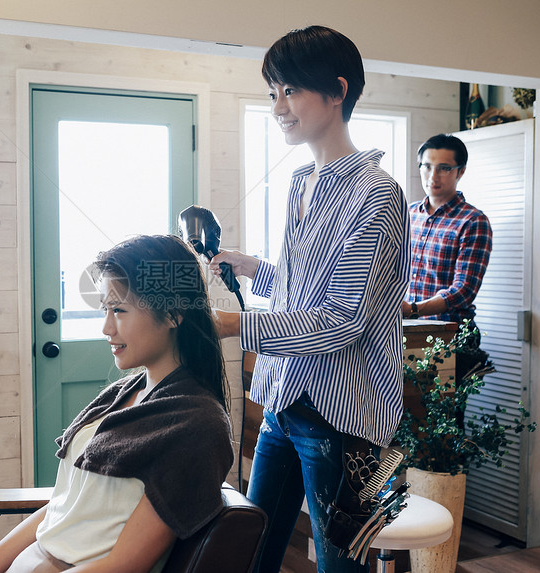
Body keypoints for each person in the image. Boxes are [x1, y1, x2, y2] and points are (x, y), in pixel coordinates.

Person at [209, 26, 410, 573]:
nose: (278, 106)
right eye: (273, 92)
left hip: (342, 417)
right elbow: (306, 289)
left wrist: (231, 325)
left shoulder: (378, 194)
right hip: (281, 398)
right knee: (250, 549)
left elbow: (342, 320)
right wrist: (254, 269)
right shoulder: (301, 182)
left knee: (343, 565)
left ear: (338, 90)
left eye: (290, 90)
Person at [0, 234, 233, 573]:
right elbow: (64, 505)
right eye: (105, 309)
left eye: (119, 310)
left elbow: (124, 565)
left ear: (174, 313)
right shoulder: (125, 393)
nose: (106, 327)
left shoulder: (195, 425)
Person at [402, 134, 492, 326]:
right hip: (404, 332)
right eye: (426, 166)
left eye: (444, 168)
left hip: (450, 336)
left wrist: (412, 310)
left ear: (460, 172)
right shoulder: (407, 214)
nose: (433, 176)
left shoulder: (473, 221)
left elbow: (463, 290)